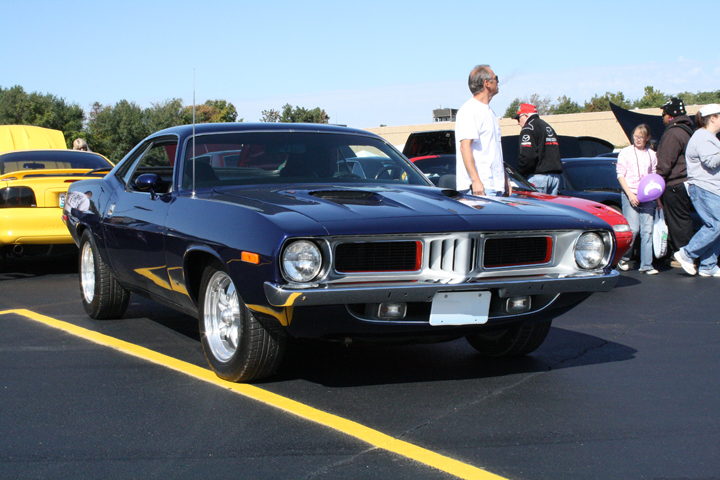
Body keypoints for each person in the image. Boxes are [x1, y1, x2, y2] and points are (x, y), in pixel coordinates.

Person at [673, 104, 720, 277]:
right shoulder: (702, 137)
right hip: (704, 188)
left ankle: (708, 265)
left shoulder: (709, 137)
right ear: (713, 118)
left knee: (715, 226)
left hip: (711, 188)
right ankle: (686, 253)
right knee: (716, 224)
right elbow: (711, 162)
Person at [454, 65, 511, 197]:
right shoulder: (469, 110)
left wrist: (505, 179)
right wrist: (475, 181)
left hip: (495, 186)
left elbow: (494, 150)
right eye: (496, 78)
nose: (498, 82)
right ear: (487, 83)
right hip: (480, 188)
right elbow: (465, 146)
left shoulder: (490, 112)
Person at [616, 124, 658, 274]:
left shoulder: (651, 154)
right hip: (630, 194)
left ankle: (647, 265)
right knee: (633, 229)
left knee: (647, 230)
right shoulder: (625, 152)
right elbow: (620, 174)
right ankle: (623, 258)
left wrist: (657, 200)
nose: (638, 139)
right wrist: (630, 194)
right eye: (636, 136)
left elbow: (654, 175)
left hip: (647, 196)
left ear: (647, 138)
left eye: (641, 137)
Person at [656, 98, 693, 266]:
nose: (662, 118)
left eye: (664, 114)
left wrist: (658, 182)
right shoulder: (688, 131)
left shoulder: (673, 133)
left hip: (674, 184)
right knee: (683, 219)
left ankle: (685, 255)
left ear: (670, 116)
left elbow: (665, 162)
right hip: (687, 182)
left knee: (678, 221)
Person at [514, 103, 562, 195]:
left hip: (538, 178)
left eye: (518, 118)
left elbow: (528, 156)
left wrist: (519, 174)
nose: (518, 123)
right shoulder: (547, 127)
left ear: (526, 115)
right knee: (551, 209)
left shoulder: (528, 128)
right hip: (555, 178)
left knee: (536, 208)